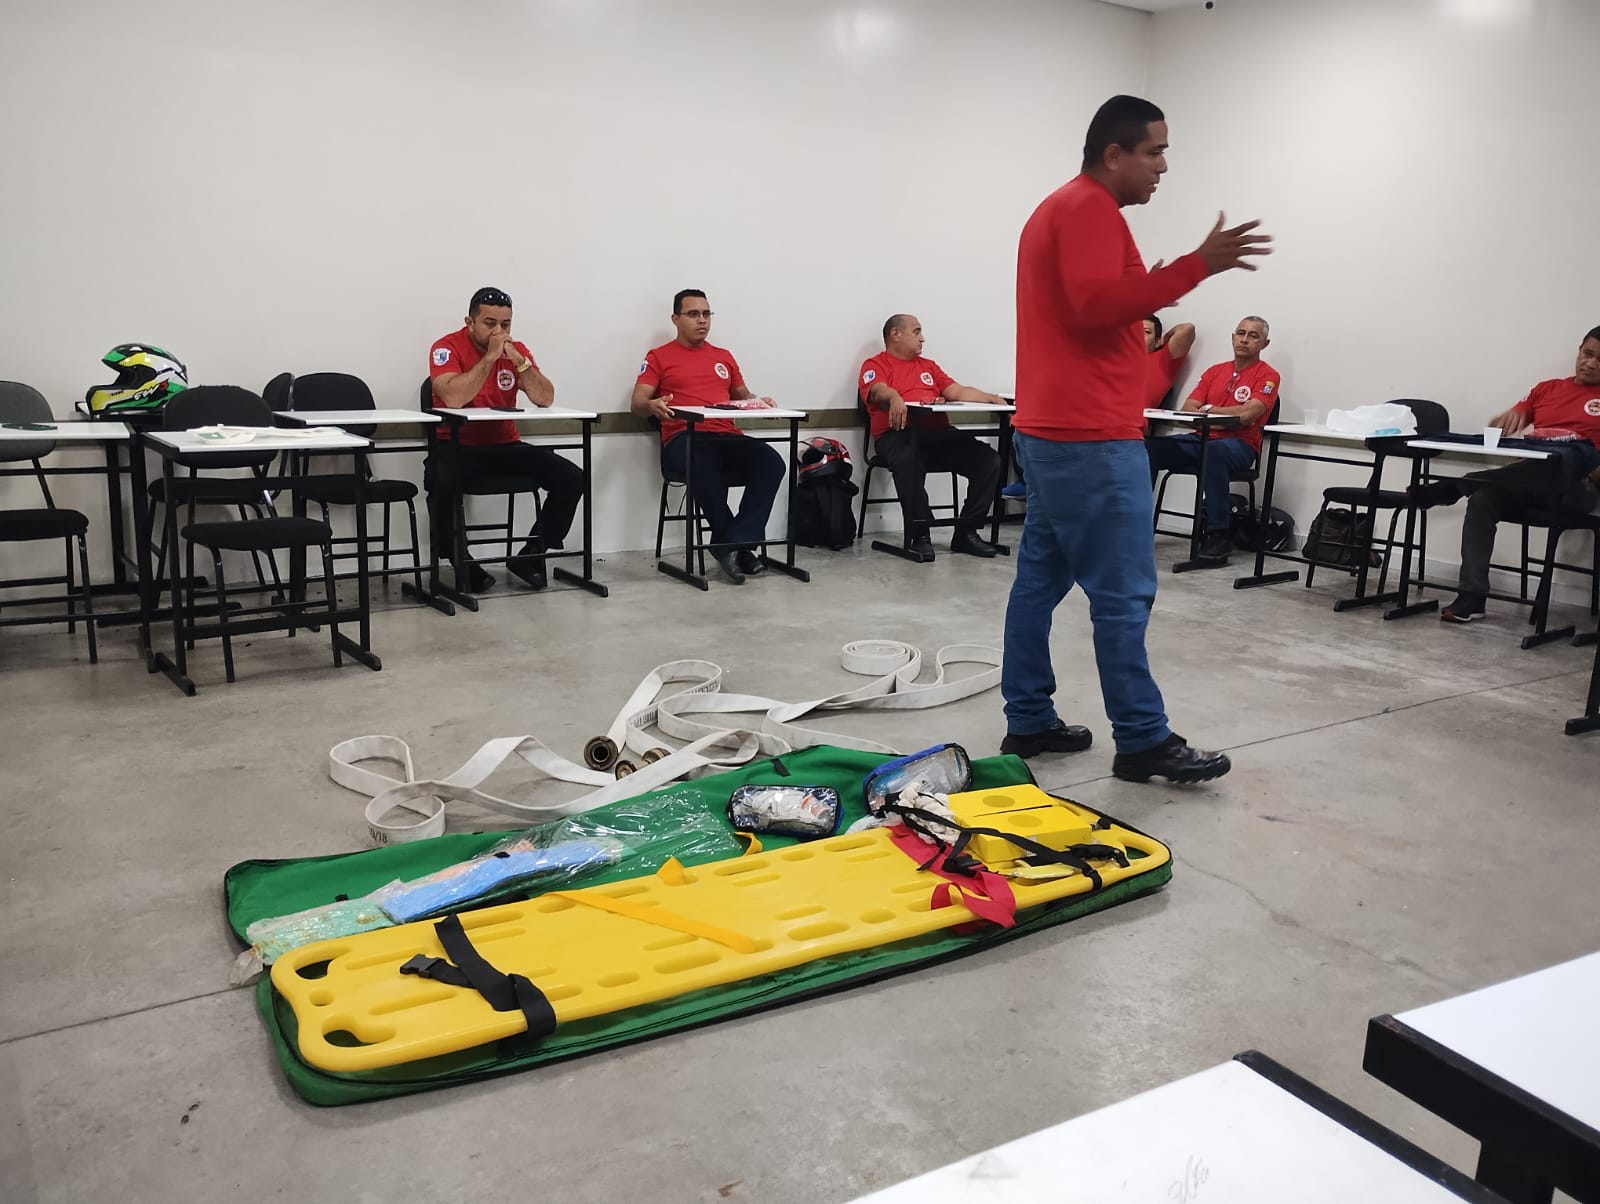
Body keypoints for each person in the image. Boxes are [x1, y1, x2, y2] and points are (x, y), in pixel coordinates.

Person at [1001, 93, 1270, 783]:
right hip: (1088, 438)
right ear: (1113, 154)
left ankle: (1028, 717)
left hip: (1055, 427)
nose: (1163, 167)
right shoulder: (1087, 207)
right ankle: (1143, 738)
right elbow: (1096, 307)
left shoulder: (1068, 208)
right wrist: (1195, 265)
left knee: (1040, 580)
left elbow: (1096, 311)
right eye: (1154, 152)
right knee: (1123, 593)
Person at [1412, 326, 1600, 623]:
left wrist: (1580, 460)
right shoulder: (1547, 389)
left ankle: (1454, 487)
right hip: (1529, 480)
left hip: (1579, 488)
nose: (1590, 363)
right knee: (1484, 497)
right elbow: (1514, 419)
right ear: (1579, 350)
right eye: (1587, 354)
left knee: (1553, 462)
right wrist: (1508, 422)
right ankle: (1472, 596)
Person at [426, 286, 583, 593]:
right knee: (439, 480)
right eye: (489, 323)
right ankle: (461, 561)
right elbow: (453, 398)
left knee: (572, 477)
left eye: (505, 324)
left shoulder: (516, 349)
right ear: (470, 322)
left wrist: (519, 361)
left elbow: (545, 398)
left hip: (505, 446)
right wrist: (489, 359)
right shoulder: (445, 347)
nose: (499, 331)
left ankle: (531, 554)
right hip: (457, 447)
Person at [631, 289, 786, 585]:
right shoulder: (659, 357)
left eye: (706, 314)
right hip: (684, 440)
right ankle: (736, 547)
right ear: (675, 319)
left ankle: (733, 543)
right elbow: (637, 403)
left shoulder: (723, 357)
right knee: (702, 461)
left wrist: (759, 402)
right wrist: (652, 405)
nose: (701, 320)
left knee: (771, 461)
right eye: (693, 314)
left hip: (726, 437)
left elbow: (742, 397)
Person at [859, 314, 1008, 561]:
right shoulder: (875, 364)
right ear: (896, 334)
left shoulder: (928, 366)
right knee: (908, 458)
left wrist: (992, 398)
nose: (922, 338)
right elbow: (877, 390)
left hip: (938, 435)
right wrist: (895, 397)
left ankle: (967, 531)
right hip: (897, 435)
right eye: (916, 332)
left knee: (989, 460)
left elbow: (957, 391)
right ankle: (920, 534)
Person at [1145, 315, 1279, 561]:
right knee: (1148, 448)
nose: (1244, 340)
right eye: (1241, 333)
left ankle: (1218, 534)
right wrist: (1226, 414)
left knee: (1214, 453)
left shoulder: (1268, 376)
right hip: (1200, 439)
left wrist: (1208, 409)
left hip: (1240, 446)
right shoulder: (1214, 372)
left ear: (1265, 343)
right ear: (1232, 337)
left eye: (1253, 336)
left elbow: (1247, 416)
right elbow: (1187, 409)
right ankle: (1136, 527)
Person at [1143, 314, 1196, 408]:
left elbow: (1187, 329)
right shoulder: (1115, 359)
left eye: (1146, 332)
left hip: (1133, 419)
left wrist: (1165, 339)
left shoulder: (1161, 360)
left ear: (1157, 341)